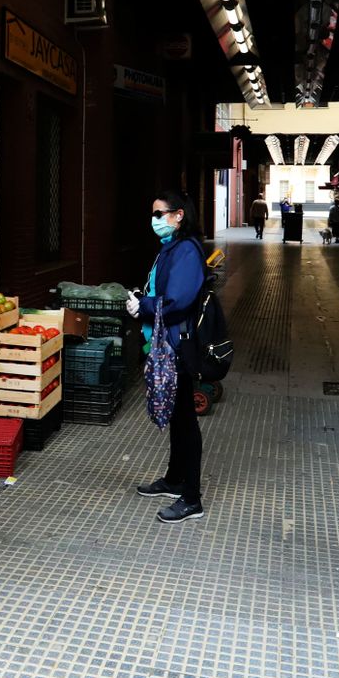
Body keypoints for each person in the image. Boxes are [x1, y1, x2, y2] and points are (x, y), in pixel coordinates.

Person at [125, 189, 207, 523]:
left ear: (178, 215)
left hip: (178, 345)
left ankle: (192, 498)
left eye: (159, 214)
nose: (155, 220)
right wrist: (142, 298)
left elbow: (176, 302)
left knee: (185, 419)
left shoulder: (185, 250)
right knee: (177, 414)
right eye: (154, 214)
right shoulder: (171, 247)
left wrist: (143, 306)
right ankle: (174, 479)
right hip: (168, 342)